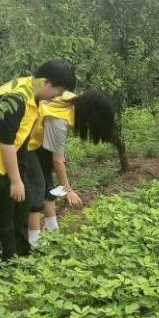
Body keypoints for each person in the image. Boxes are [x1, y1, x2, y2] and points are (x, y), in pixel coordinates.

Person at [0, 60, 76, 261]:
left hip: (6, 161)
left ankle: (23, 254)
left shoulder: (33, 95)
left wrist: (20, 177)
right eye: (58, 91)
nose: (57, 96)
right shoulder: (16, 97)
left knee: (21, 204)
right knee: (2, 213)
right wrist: (15, 180)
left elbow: (21, 138)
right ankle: (5, 263)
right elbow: (6, 142)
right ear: (46, 83)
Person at [26, 90, 116, 246]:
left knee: (46, 181)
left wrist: (59, 154)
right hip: (22, 140)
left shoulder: (70, 100)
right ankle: (34, 242)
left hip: (37, 137)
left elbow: (56, 153)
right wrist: (68, 190)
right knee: (37, 184)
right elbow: (57, 161)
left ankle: (52, 229)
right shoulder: (59, 118)